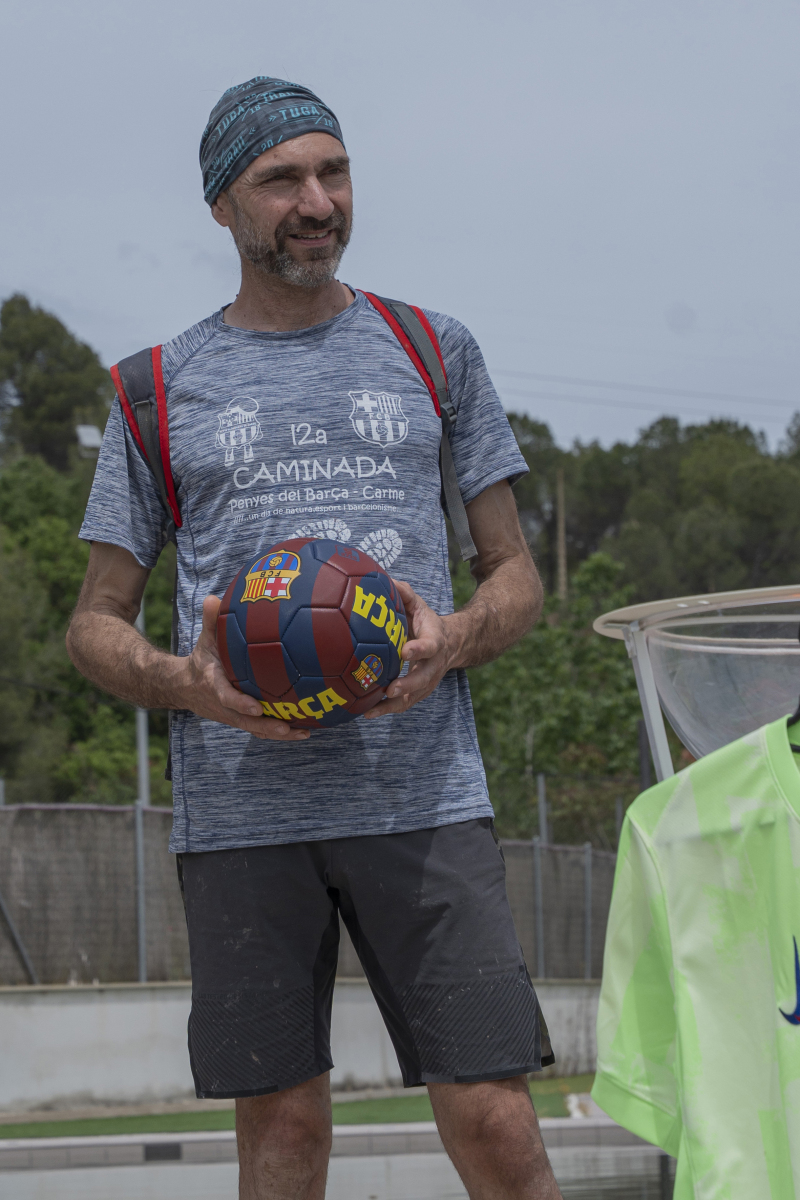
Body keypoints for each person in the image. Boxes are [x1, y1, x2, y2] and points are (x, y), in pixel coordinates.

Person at [67, 77, 563, 1200]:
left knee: (497, 1125)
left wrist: (452, 638)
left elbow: (516, 576)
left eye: (333, 172)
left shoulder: (432, 348)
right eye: (280, 179)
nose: (316, 201)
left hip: (423, 800)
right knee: (283, 1136)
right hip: (243, 816)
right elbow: (93, 623)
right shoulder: (155, 389)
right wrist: (187, 684)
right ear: (221, 205)